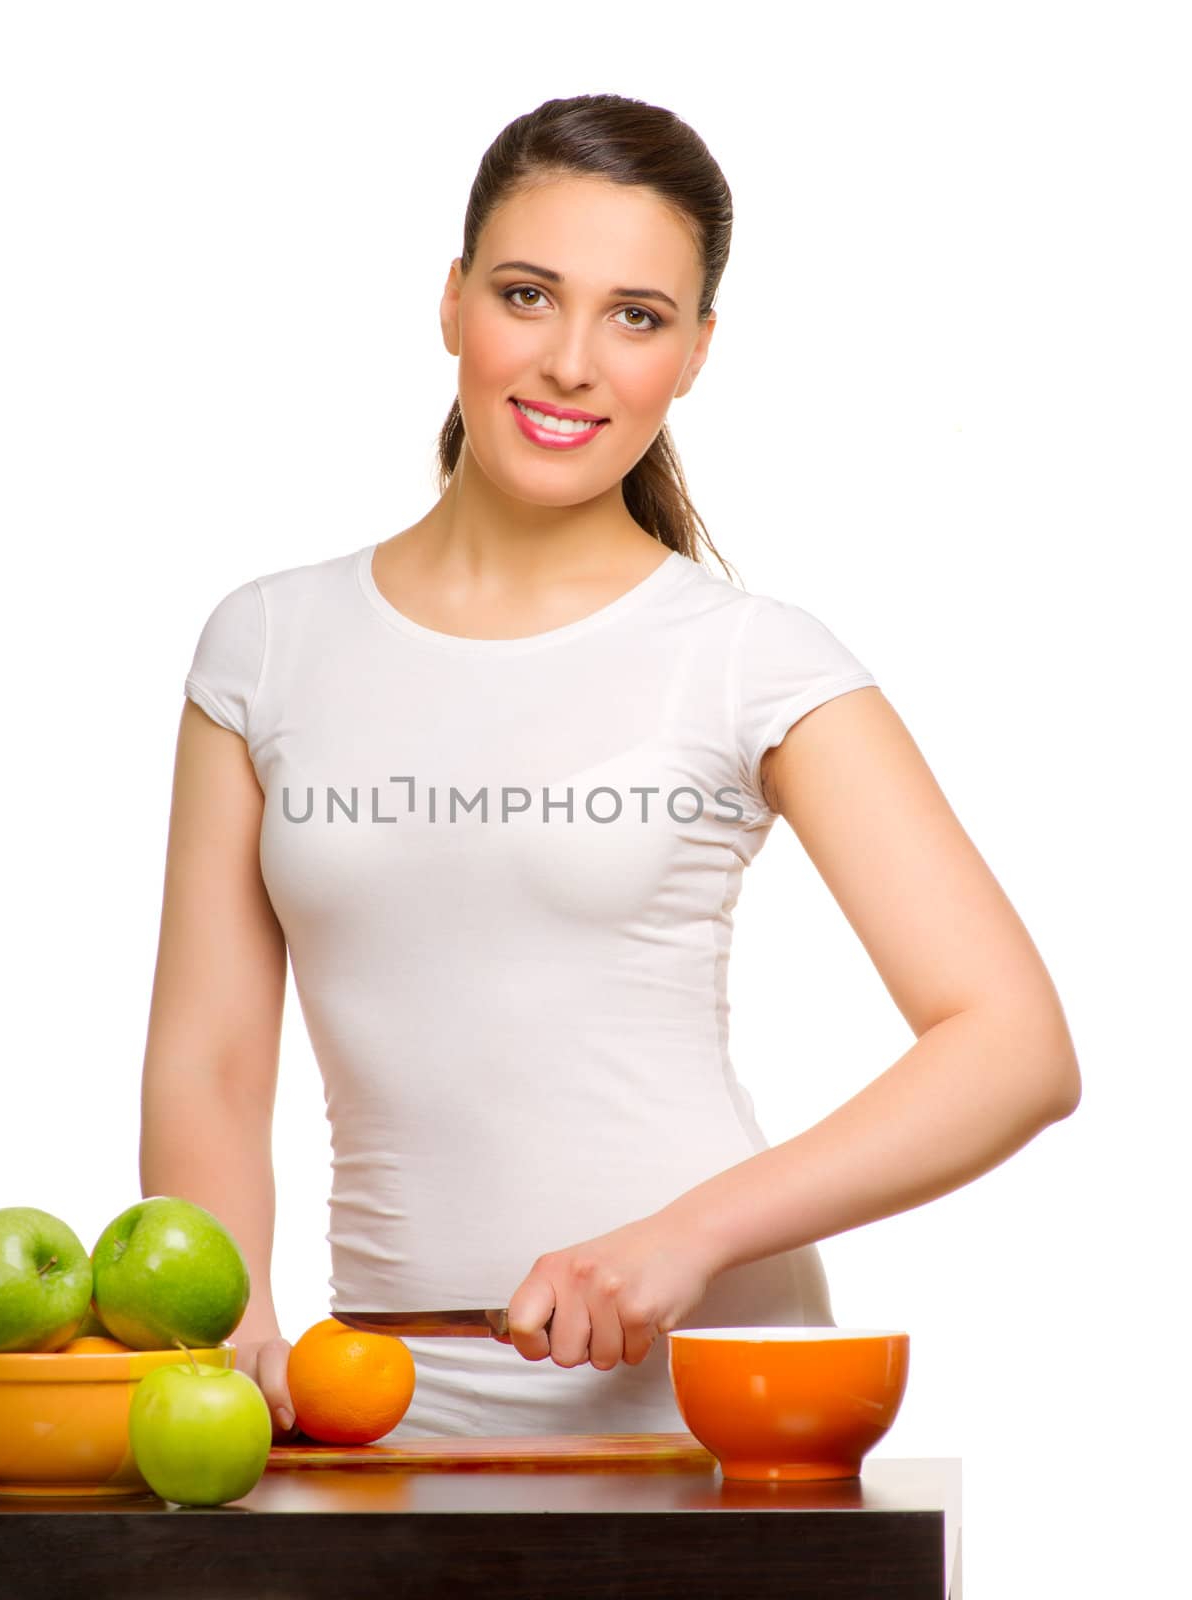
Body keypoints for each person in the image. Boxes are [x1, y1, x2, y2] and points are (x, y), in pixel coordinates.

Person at [140, 93, 1082, 1443]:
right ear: (453, 300)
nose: (571, 361)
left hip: (710, 1402)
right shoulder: (267, 644)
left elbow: (1013, 1048)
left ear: (694, 354)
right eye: (528, 295)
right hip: (375, 1414)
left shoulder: (750, 658)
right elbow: (210, 1064)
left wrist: (679, 1240)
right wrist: (232, 1345)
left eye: (636, 316)